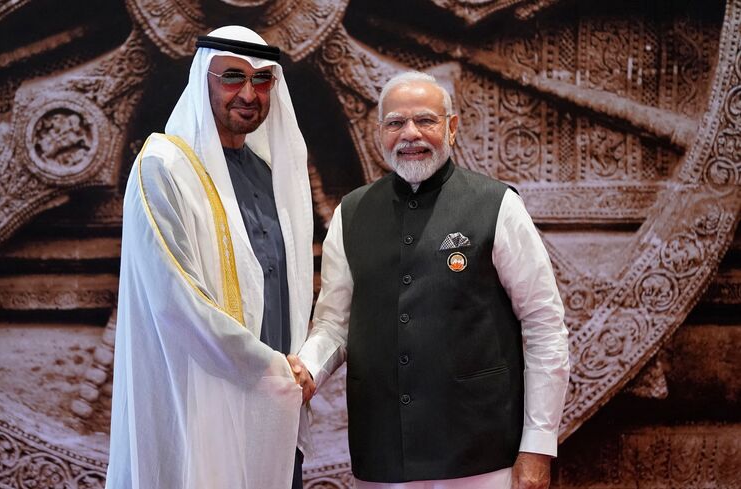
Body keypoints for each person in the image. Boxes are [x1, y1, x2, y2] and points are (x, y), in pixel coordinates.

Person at [295, 71, 570, 489]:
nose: (410, 134)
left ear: (452, 128)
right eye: (395, 123)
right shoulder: (351, 215)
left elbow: (544, 326)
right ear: (379, 133)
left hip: (482, 455)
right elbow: (334, 323)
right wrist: (308, 370)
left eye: (425, 120)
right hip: (383, 455)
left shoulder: (497, 206)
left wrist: (537, 445)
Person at [106, 25, 316, 489]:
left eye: (262, 81)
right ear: (203, 79)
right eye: (232, 77)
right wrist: (270, 367)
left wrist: (290, 372)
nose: (248, 93)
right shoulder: (164, 169)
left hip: (273, 410)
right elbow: (174, 301)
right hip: (201, 407)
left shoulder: (270, 175)